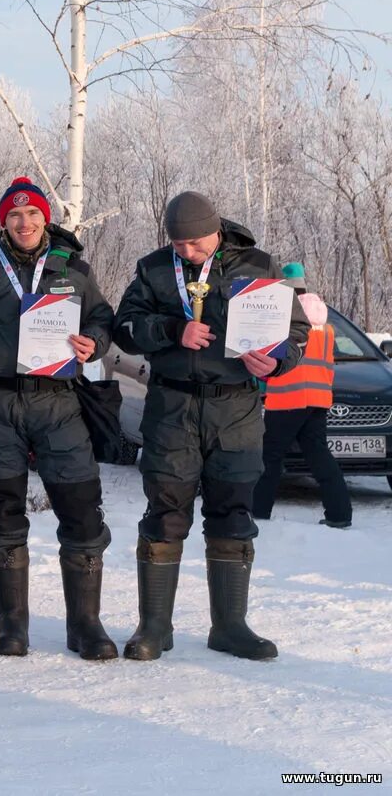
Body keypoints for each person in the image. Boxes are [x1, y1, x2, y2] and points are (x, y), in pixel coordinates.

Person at [113, 192, 308, 661]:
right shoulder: (154, 268)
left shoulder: (259, 266)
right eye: (178, 244)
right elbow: (124, 328)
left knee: (233, 512)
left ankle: (231, 626)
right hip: (173, 407)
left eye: (196, 244)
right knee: (165, 511)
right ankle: (155, 626)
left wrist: (276, 362)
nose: (187, 252)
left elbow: (296, 330)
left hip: (235, 410)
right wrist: (170, 331)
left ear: (216, 230)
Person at [0, 178, 117, 659]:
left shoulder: (74, 270)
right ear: (3, 222)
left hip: (59, 403)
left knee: (82, 511)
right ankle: (12, 625)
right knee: (2, 512)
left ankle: (85, 624)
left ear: (47, 220)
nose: (24, 224)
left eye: (33, 216)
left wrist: (95, 343)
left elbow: (102, 318)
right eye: (15, 216)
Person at [252, 263, 352, 529]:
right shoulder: (327, 328)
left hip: (286, 400)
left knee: (270, 457)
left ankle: (258, 511)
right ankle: (339, 514)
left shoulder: (285, 322)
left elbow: (269, 362)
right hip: (317, 401)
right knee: (320, 457)